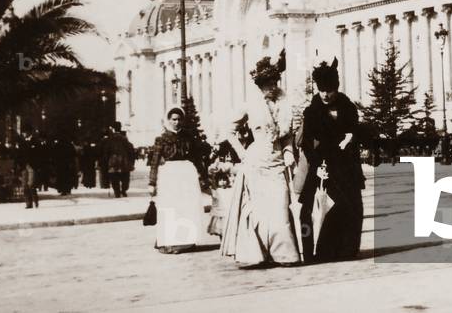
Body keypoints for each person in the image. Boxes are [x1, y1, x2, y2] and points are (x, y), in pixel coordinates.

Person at [220, 53, 301, 268]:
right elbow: (229, 130)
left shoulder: (285, 105)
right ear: (260, 85)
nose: (272, 87)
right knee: (258, 210)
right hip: (256, 164)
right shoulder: (250, 105)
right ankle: (256, 254)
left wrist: (288, 151)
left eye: (274, 82)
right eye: (268, 84)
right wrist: (243, 153)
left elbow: (287, 136)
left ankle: (284, 254)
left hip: (277, 164)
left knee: (280, 208)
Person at [298, 59, 365, 262]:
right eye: (322, 90)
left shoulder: (348, 107)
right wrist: (316, 167)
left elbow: (356, 130)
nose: (326, 94)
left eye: (329, 90)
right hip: (322, 166)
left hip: (345, 167)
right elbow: (307, 144)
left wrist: (352, 137)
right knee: (311, 210)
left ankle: (346, 249)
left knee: (350, 207)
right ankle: (317, 251)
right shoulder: (311, 112)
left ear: (336, 88)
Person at [148, 107, 207, 254]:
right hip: (170, 175)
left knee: (187, 207)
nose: (176, 122)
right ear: (168, 120)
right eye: (173, 119)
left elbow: (197, 158)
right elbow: (154, 162)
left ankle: (187, 240)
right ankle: (170, 240)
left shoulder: (188, 138)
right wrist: (152, 182)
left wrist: (203, 176)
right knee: (170, 207)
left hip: (187, 174)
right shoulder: (161, 139)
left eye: (179, 119)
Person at [104, 122, 136, 198]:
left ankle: (117, 191)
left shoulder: (110, 139)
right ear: (120, 128)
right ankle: (124, 190)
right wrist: (131, 161)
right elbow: (130, 150)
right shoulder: (124, 139)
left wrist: (105, 161)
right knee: (125, 176)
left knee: (114, 176)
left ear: (113, 128)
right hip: (124, 161)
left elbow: (106, 151)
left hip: (113, 160)